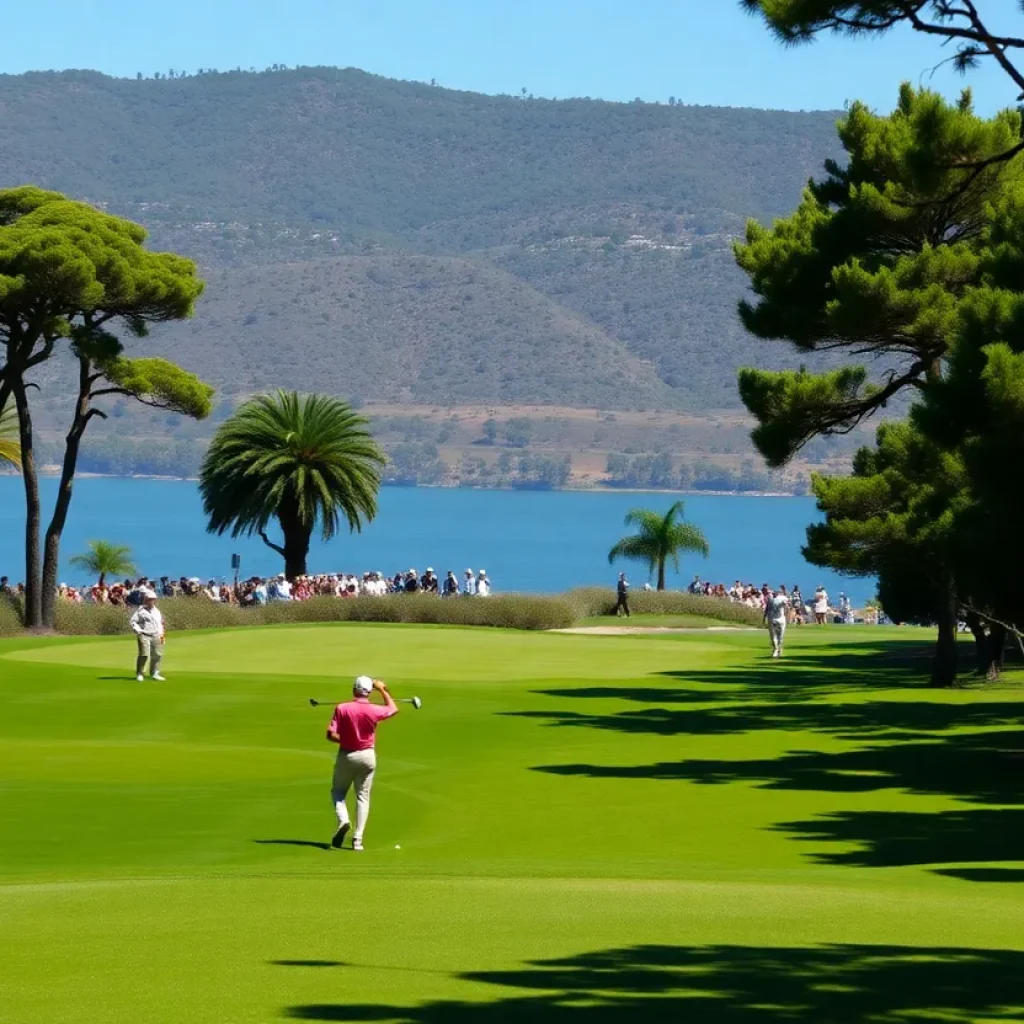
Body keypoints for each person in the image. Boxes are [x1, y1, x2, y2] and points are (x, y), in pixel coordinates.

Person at [326, 675, 399, 851]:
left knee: (338, 792)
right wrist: (382, 689)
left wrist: (345, 739)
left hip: (347, 755)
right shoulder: (375, 710)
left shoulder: (342, 708)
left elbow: (330, 734)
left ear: (354, 690)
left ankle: (343, 820)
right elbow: (393, 708)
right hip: (368, 756)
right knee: (362, 797)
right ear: (369, 692)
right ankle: (357, 840)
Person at [130, 589, 166, 682]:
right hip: (144, 634)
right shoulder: (140, 611)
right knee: (144, 654)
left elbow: (160, 623)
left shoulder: (157, 611)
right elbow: (133, 621)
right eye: (149, 599)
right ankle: (140, 673)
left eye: (153, 599)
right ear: (145, 600)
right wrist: (138, 630)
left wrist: (162, 635)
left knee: (157, 654)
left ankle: (155, 673)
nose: (151, 601)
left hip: (157, 634)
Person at [764, 584, 790, 659]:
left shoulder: (782, 598)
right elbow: (767, 609)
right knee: (774, 636)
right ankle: (776, 649)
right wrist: (765, 618)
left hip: (780, 619)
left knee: (779, 636)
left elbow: (787, 604)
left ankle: (779, 648)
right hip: (773, 619)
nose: (774, 594)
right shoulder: (771, 599)